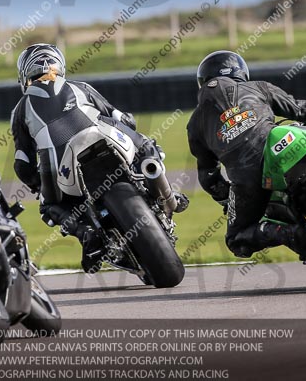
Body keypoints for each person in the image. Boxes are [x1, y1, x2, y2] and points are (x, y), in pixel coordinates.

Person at [10, 44, 188, 272]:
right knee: (146, 146)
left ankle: (86, 233)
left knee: (49, 207)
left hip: (58, 161)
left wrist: (38, 184)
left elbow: (22, 164)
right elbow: (121, 118)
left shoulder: (20, 110)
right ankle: (166, 192)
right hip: (104, 134)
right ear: (60, 67)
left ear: (24, 74)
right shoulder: (81, 87)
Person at [187, 50, 306, 259]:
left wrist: (226, 198)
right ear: (240, 72)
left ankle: (289, 233)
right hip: (284, 143)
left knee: (236, 239)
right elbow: (301, 109)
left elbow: (209, 176)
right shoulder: (257, 87)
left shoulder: (194, 125)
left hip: (247, 180)